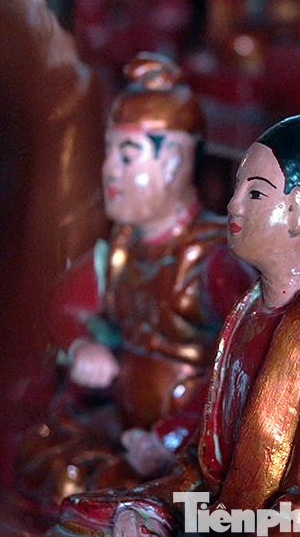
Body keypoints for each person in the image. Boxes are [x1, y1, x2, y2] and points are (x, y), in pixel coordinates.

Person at [50, 114, 300, 536]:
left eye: (255, 193)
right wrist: (148, 509)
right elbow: (200, 470)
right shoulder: (250, 306)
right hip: (213, 516)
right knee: (82, 515)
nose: (233, 204)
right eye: (237, 187)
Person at [16, 53, 255, 513]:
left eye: (127, 156)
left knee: (107, 493)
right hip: (120, 425)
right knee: (43, 456)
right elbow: (60, 307)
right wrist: (82, 344)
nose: (109, 170)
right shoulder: (121, 247)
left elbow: (244, 360)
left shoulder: (211, 257)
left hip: (181, 443)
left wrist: (174, 435)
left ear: (175, 162)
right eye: (109, 153)